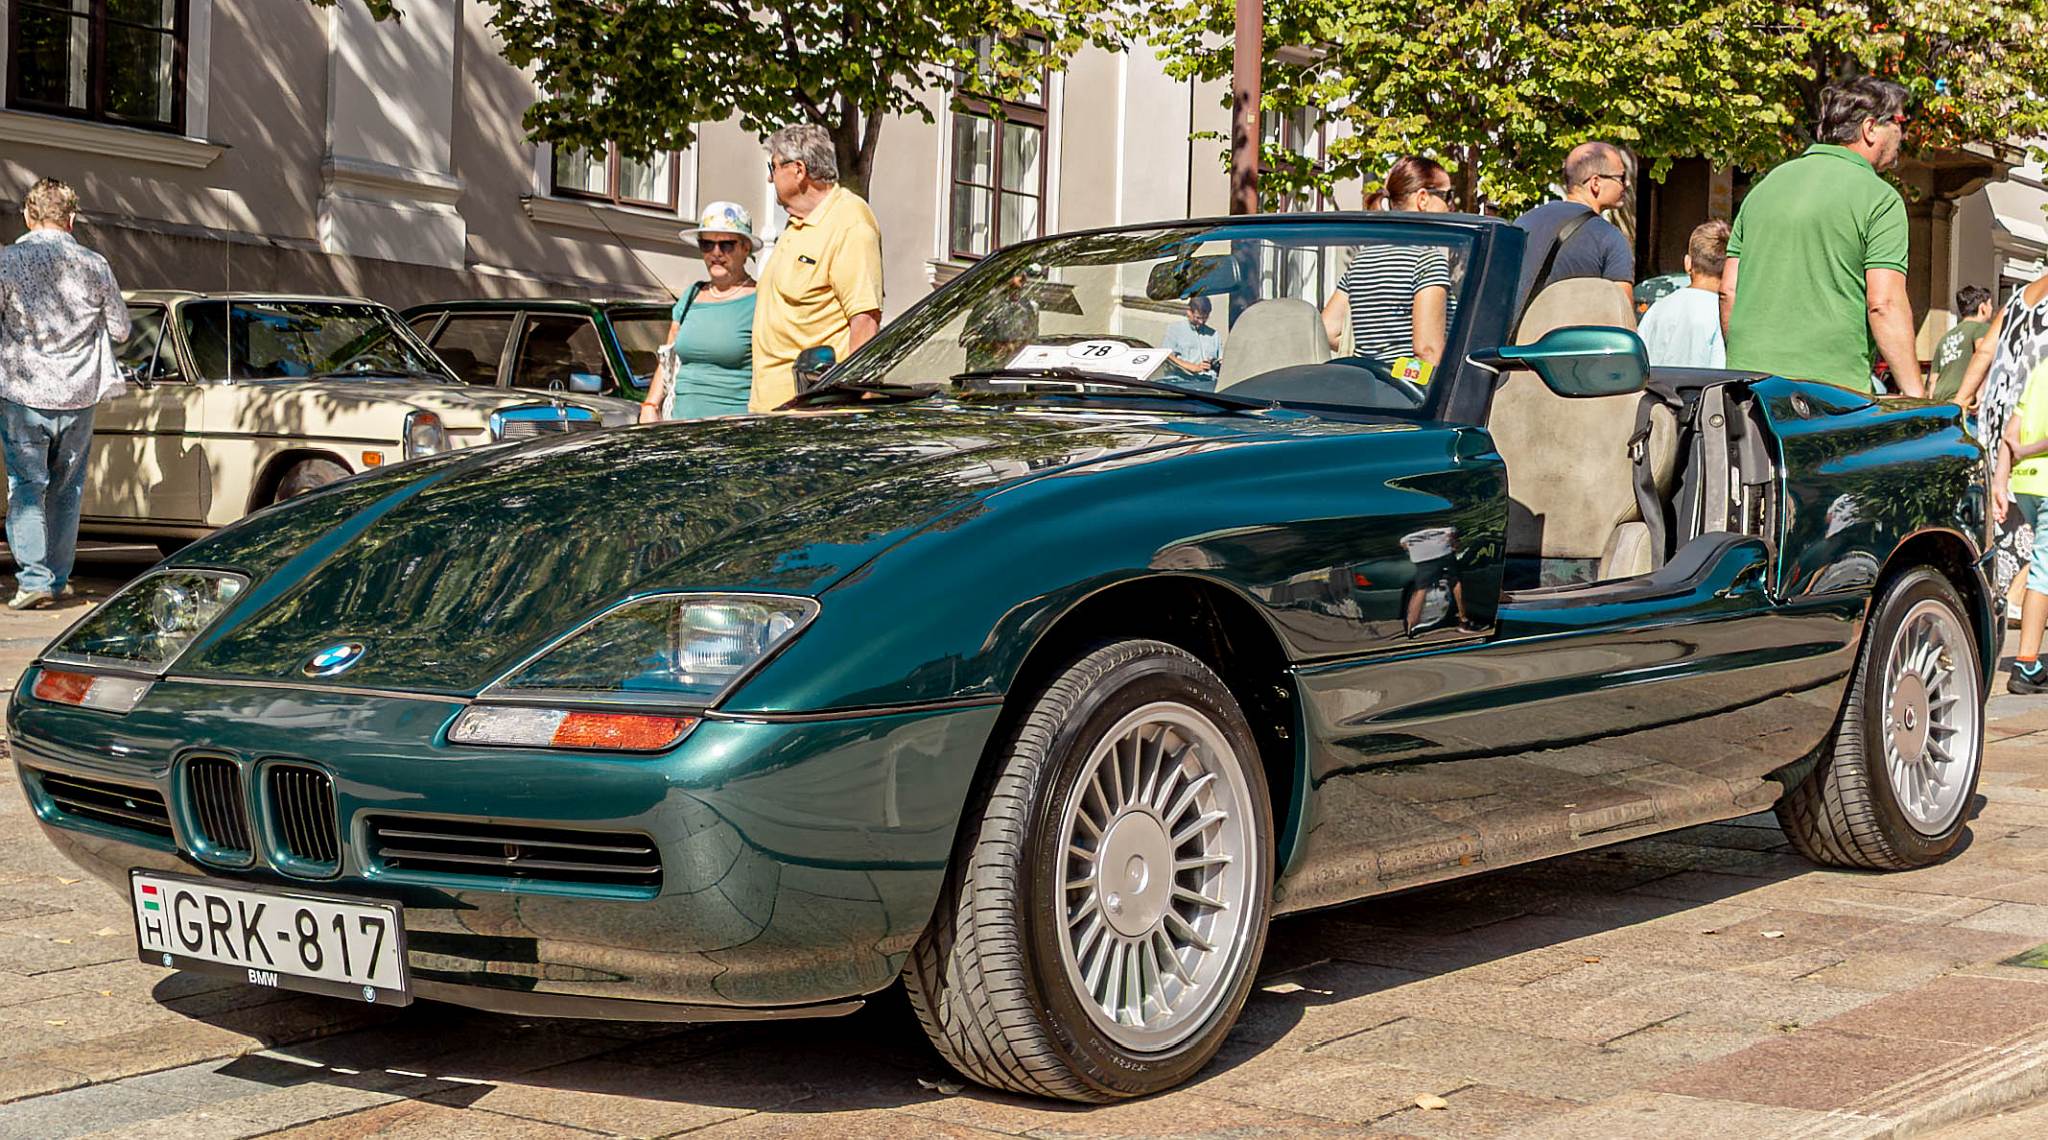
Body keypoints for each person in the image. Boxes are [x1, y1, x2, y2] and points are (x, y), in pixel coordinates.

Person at [1721, 76, 1925, 397]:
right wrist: (1916, 396)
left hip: (1747, 386)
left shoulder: (1765, 188)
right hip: (1827, 391)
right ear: (1870, 127)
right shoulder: (1880, 199)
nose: (1903, 135)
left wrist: (1745, 356)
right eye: (1900, 122)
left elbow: (1729, 292)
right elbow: (1884, 304)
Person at [0, 178, 128, 610]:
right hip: (79, 393)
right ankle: (56, 579)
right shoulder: (96, 265)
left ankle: (33, 577)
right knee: (67, 488)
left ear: (28, 216)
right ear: (71, 219)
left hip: (22, 392)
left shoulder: (7, 261)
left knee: (27, 485)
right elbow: (123, 329)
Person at [751, 123, 883, 411]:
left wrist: (854, 408)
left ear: (798, 169)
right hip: (770, 410)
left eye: (772, 167)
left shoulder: (850, 221)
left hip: (812, 414)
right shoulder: (796, 224)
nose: (769, 177)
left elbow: (865, 321)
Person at [1961, 268, 2048, 690]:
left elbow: (1983, 350)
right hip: (2038, 432)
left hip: (2000, 425)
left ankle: (1973, 646)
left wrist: (1960, 401)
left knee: (2002, 540)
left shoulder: (2019, 298)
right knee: (2031, 550)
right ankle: (2021, 650)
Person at [1320, 156, 1456, 374]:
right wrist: (1397, 370)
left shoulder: (1362, 260)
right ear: (1423, 198)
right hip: (1408, 398)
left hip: (1365, 390)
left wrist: (1374, 361)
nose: (1451, 206)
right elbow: (1428, 352)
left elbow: (1328, 329)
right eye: (1447, 196)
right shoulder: (1428, 261)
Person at [642, 201, 759, 422]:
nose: (716, 253)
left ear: (746, 248)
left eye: (726, 245)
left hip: (733, 432)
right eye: (706, 244)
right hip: (679, 428)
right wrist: (650, 405)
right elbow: (667, 358)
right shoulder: (691, 295)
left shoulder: (760, 300)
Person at [1513, 142, 1637, 315]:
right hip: (1575, 342)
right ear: (1596, 183)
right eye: (1621, 178)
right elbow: (1622, 317)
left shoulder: (1522, 223)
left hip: (1518, 340)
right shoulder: (1609, 238)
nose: (1627, 184)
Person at [1637, 220, 1730, 368]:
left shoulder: (1658, 308)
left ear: (1688, 263)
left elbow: (1639, 361)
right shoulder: (1723, 315)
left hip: (1657, 389)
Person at [961, 266, 1041, 372]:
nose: (1023, 277)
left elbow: (1033, 338)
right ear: (1005, 276)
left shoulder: (1029, 307)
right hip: (986, 374)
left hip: (1017, 374)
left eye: (1024, 273)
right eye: (1018, 273)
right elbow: (967, 338)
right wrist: (994, 346)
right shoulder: (988, 304)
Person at [1932, 285, 1995, 405]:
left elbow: (1933, 379)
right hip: (1963, 399)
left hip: (1940, 400)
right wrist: (1980, 392)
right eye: (1990, 304)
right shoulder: (1982, 328)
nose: (1992, 308)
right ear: (1982, 308)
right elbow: (1983, 356)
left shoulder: (1946, 337)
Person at [1162, 294, 1223, 389]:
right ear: (1188, 312)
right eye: (1198, 318)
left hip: (1208, 384)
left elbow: (1221, 360)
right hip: (1183, 383)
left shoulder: (1214, 334)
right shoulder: (1175, 329)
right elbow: (1167, 355)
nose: (1201, 322)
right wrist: (1192, 367)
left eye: (1205, 318)